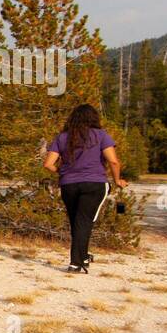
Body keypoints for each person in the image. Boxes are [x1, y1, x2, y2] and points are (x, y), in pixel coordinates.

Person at [43, 103, 127, 273]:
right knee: (85, 221)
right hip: (94, 184)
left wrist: (64, 171)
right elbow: (113, 161)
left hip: (69, 184)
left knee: (77, 221)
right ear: (94, 118)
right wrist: (118, 180)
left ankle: (83, 256)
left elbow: (48, 164)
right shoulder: (101, 135)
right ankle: (76, 262)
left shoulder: (63, 137)